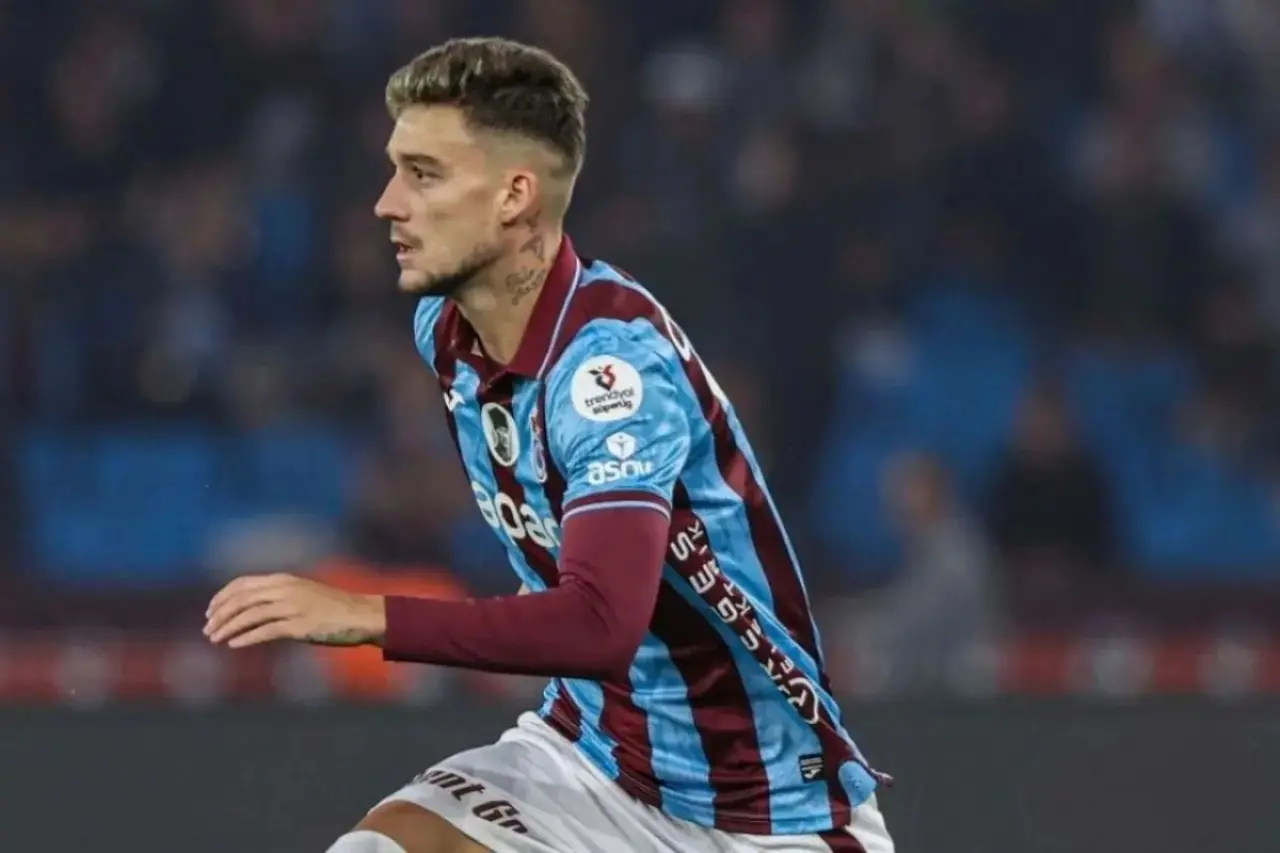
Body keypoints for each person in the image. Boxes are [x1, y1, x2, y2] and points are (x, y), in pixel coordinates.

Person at [204, 37, 895, 853]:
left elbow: (601, 622)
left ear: (514, 196)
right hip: (587, 758)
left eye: (423, 175)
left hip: (764, 812)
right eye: (394, 171)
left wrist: (365, 613)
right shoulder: (445, 328)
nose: (388, 203)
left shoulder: (609, 371)